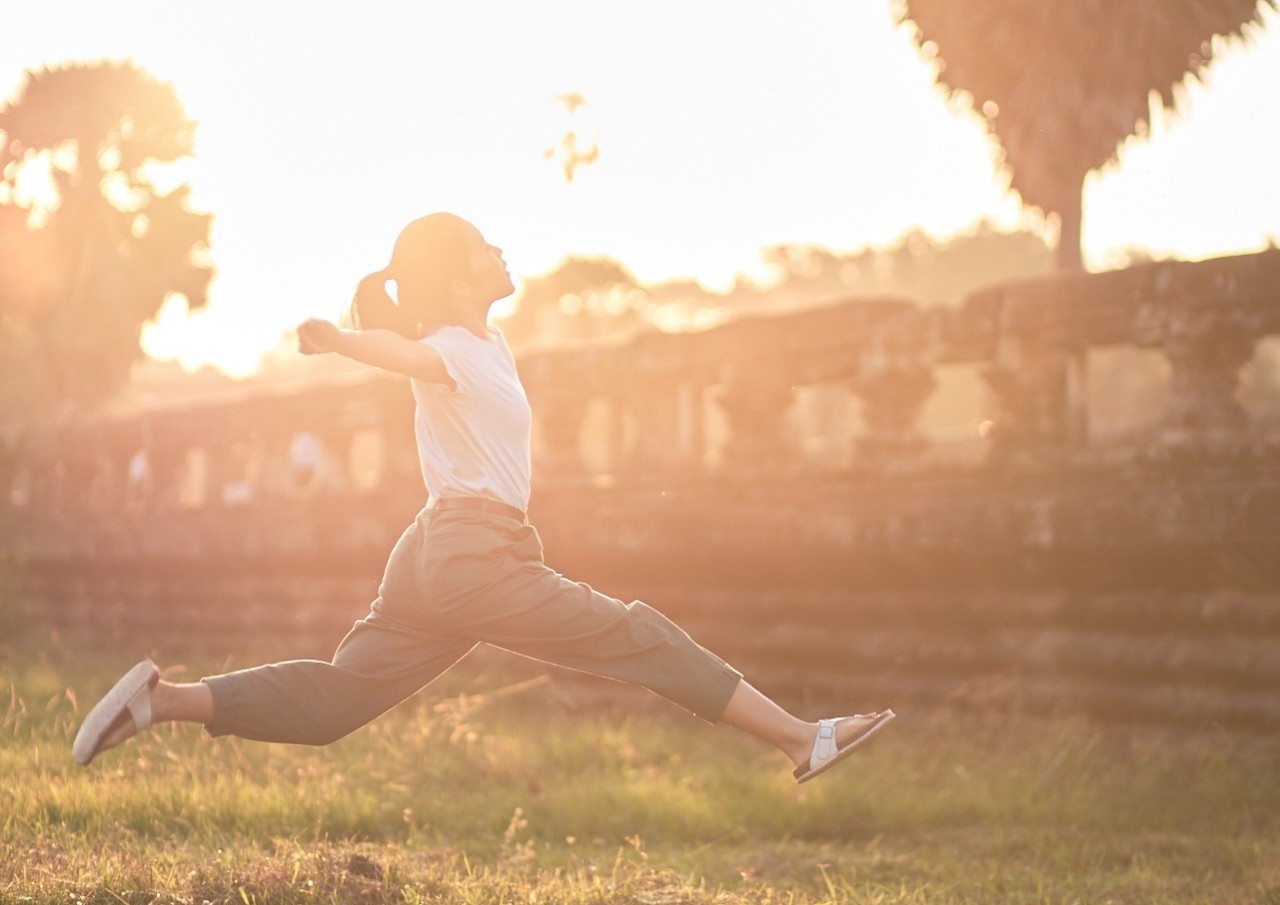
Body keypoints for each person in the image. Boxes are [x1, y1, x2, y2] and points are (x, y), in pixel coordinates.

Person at [72, 214, 894, 782]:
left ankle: (162, 700)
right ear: (458, 276)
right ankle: (802, 738)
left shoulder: (486, 342)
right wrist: (341, 340)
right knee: (639, 636)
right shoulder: (453, 347)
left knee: (337, 701)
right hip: (472, 554)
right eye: (483, 244)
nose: (501, 250)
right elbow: (405, 352)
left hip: (436, 555)